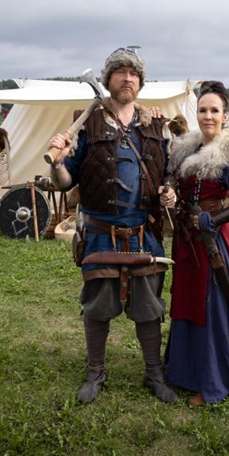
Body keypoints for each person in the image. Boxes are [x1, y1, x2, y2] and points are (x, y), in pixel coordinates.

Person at [47, 48, 178, 404]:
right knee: (98, 307)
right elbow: (64, 179)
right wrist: (57, 160)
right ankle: (95, 374)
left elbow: (167, 170)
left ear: (140, 82)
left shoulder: (153, 124)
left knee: (149, 308)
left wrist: (169, 191)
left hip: (143, 235)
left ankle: (154, 374)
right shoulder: (87, 123)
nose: (127, 77)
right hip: (101, 234)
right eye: (120, 72)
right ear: (108, 80)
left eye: (133, 73)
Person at [164, 81, 229, 406]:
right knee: (187, 301)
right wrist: (169, 188)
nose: (207, 116)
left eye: (214, 110)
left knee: (209, 308)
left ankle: (212, 383)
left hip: (212, 243)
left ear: (225, 115)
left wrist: (214, 220)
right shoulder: (185, 149)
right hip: (186, 240)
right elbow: (172, 177)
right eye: (203, 110)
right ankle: (183, 373)